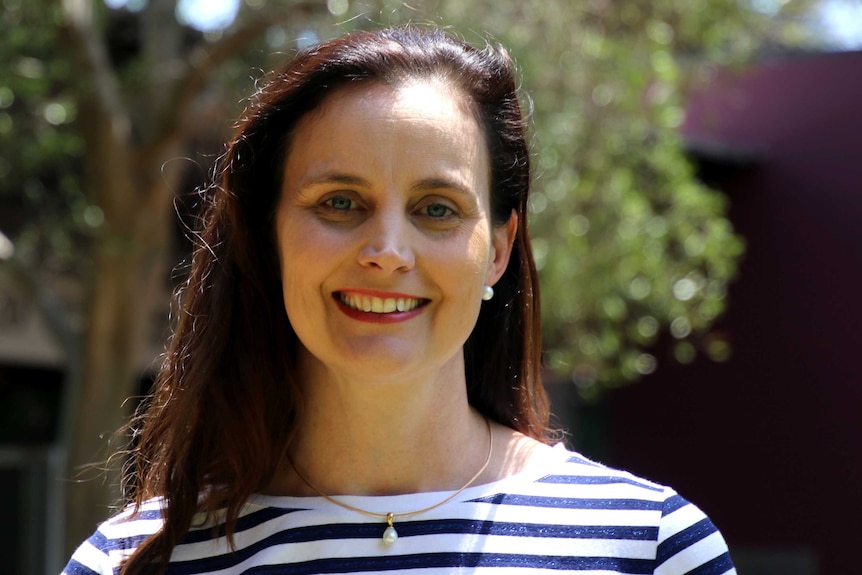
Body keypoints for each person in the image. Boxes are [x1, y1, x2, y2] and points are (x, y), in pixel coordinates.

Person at [63, 26, 736, 575]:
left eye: (436, 208)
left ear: (498, 250)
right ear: (269, 239)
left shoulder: (653, 547)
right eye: (340, 202)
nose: (387, 250)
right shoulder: (131, 560)